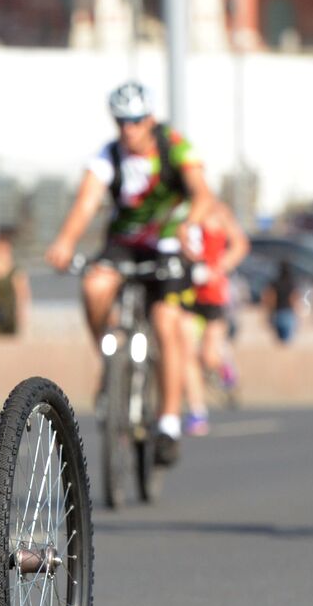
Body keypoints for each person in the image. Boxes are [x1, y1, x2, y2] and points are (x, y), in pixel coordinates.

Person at [44, 81, 218, 466]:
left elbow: (203, 194)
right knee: (94, 286)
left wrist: (190, 225)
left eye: (136, 121)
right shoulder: (109, 155)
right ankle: (110, 362)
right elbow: (87, 201)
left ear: (150, 119)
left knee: (166, 323)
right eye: (122, 122)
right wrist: (65, 241)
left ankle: (170, 421)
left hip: (170, 240)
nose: (129, 130)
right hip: (125, 240)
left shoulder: (175, 147)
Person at [180, 202, 250, 435]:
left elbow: (240, 244)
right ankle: (197, 413)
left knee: (208, 357)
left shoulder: (219, 212)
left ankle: (224, 365)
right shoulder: (180, 211)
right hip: (187, 290)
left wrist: (219, 267)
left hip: (212, 292)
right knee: (187, 354)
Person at [261, 260, 299, 345]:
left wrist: (269, 311)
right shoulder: (292, 283)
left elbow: (271, 298)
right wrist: (296, 312)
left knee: (279, 341)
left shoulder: (274, 283)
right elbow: (293, 299)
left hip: (278, 312)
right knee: (287, 341)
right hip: (289, 313)